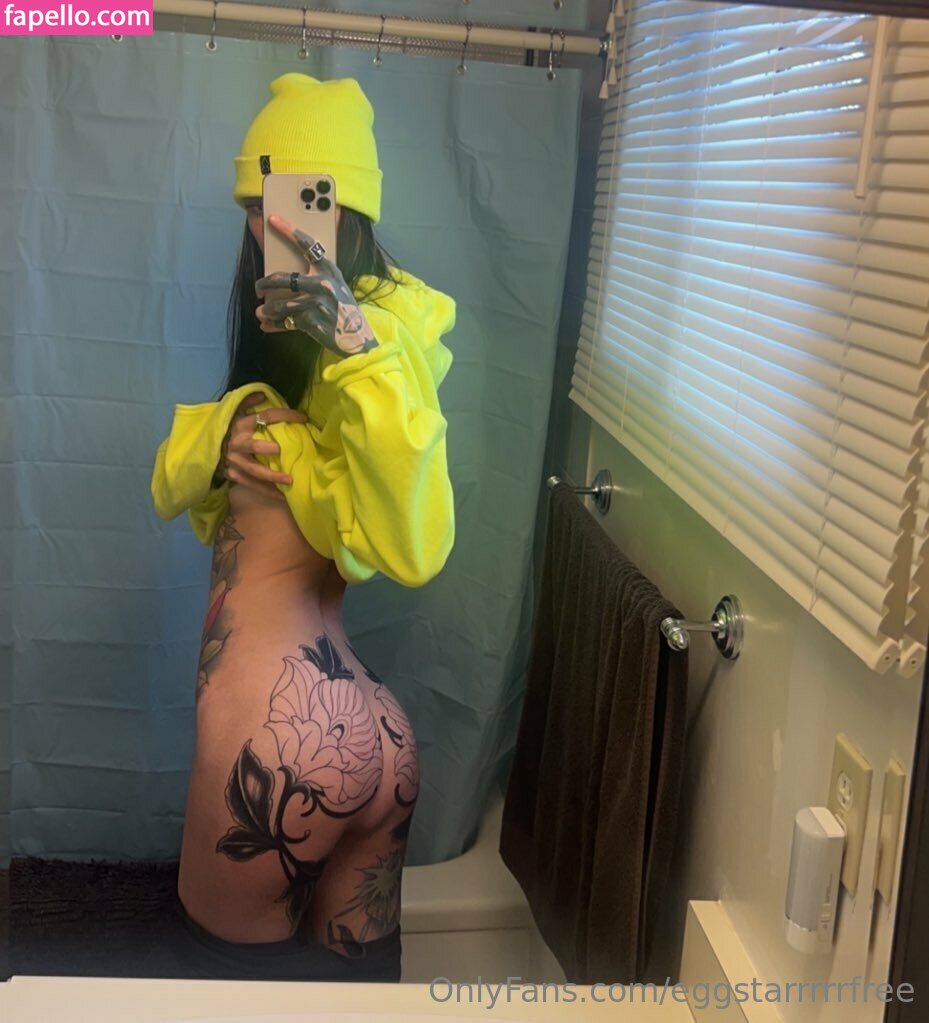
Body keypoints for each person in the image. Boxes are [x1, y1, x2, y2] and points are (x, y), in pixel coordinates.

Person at [148, 72, 456, 982]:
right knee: (354, 999)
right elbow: (176, 481)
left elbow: (411, 545)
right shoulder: (299, 373)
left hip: (277, 737)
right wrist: (225, 432)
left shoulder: (381, 346)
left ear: (339, 208)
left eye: (286, 204)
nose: (262, 230)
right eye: (253, 206)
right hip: (369, 732)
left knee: (226, 997)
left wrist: (358, 344)